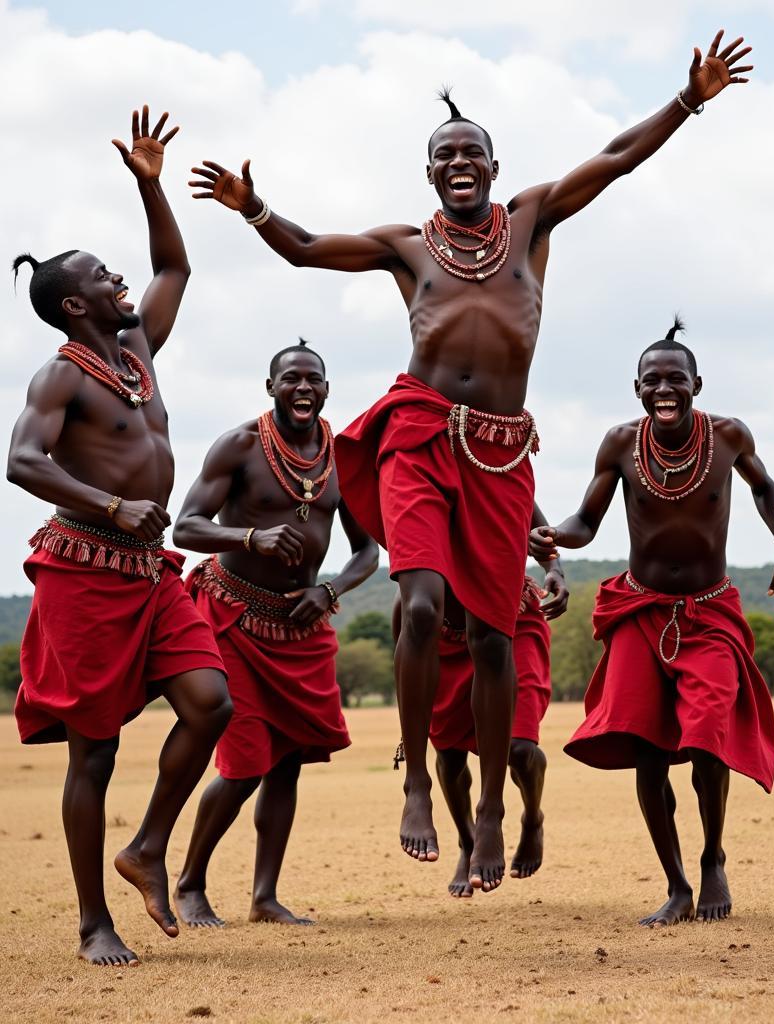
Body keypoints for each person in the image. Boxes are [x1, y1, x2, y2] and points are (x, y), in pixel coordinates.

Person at [188, 30, 754, 891]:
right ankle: (416, 778)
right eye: (444, 154)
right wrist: (252, 207)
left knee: (493, 635)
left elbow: (616, 158)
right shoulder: (407, 247)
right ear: (430, 174)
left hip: (499, 452)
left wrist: (689, 99)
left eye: (472, 152)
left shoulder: (530, 222)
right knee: (419, 606)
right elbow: (307, 249)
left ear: (493, 166)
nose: (460, 162)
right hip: (420, 432)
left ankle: (490, 808)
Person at [6, 108, 232, 966]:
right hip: (85, 569)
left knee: (212, 702)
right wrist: (109, 506)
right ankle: (92, 921)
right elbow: (21, 461)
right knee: (92, 751)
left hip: (151, 569)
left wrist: (150, 185)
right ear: (74, 304)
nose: (120, 281)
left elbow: (174, 262)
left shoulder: (138, 350)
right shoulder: (61, 372)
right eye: (104, 276)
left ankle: (145, 849)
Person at [530, 317, 774, 926]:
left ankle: (711, 859)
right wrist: (552, 538)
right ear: (637, 388)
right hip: (641, 610)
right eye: (652, 380)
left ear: (696, 384)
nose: (664, 388)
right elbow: (585, 522)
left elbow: (763, 490)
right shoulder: (620, 444)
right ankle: (676, 883)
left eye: (675, 378)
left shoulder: (729, 436)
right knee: (644, 747)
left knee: (707, 740)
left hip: (709, 612)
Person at [171, 339, 378, 927]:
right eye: (291, 378)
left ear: (327, 388)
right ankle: (190, 883)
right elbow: (187, 525)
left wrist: (329, 592)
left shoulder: (344, 459)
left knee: (287, 763)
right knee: (243, 764)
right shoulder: (238, 445)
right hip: (232, 616)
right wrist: (249, 538)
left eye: (313, 378)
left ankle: (265, 897)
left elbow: (367, 551)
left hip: (302, 625)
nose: (303, 387)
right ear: (271, 388)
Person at [393, 510, 568, 896]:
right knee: (450, 756)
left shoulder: (491, 460)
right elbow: (405, 613)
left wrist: (555, 567)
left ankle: (531, 818)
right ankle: (467, 842)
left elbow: (535, 521)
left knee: (520, 749)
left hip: (510, 620)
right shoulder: (421, 480)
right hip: (444, 634)